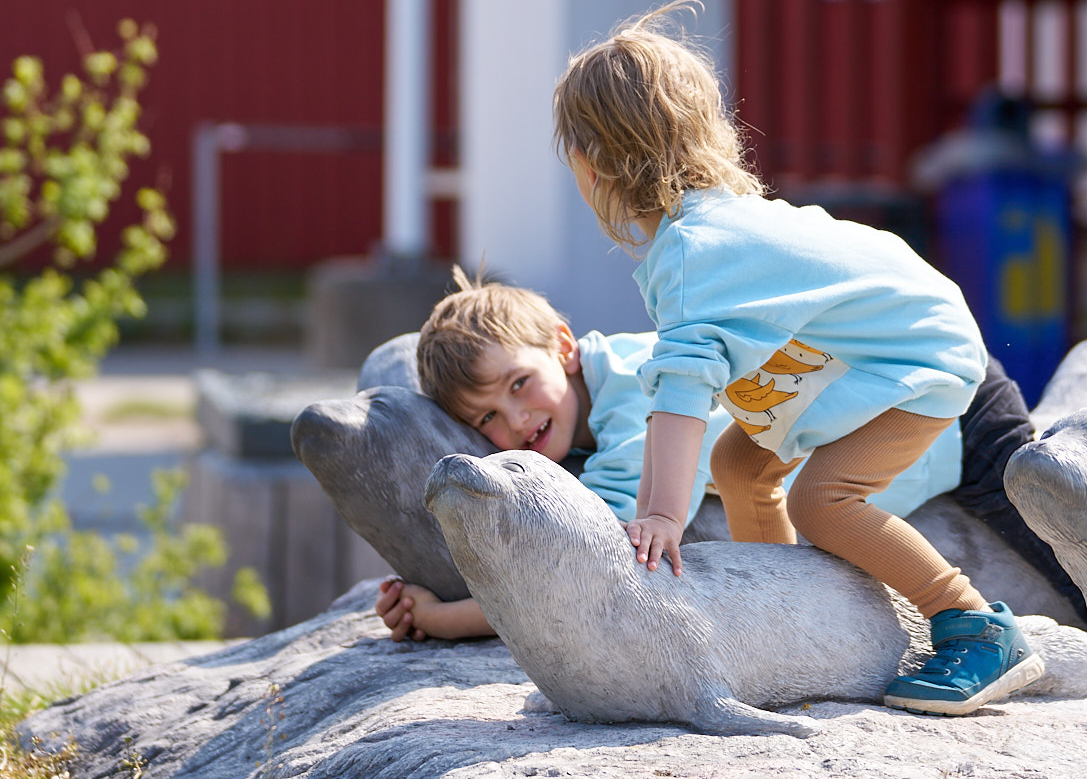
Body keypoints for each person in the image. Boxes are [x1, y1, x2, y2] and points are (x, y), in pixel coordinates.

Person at [550, 0, 1041, 716]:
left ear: (589, 166)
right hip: (870, 346)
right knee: (740, 464)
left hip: (913, 356)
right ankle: (796, 607)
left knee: (823, 499)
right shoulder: (707, 230)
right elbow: (690, 377)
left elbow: (681, 390)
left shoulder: (693, 249)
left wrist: (657, 513)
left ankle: (974, 623)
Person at [373, 269, 965, 642]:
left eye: (520, 383)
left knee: (816, 511)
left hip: (895, 456)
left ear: (562, 346)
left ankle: (962, 614)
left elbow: (578, 564)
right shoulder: (611, 378)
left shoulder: (633, 401)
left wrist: (443, 618)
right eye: (487, 420)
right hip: (834, 434)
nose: (517, 419)